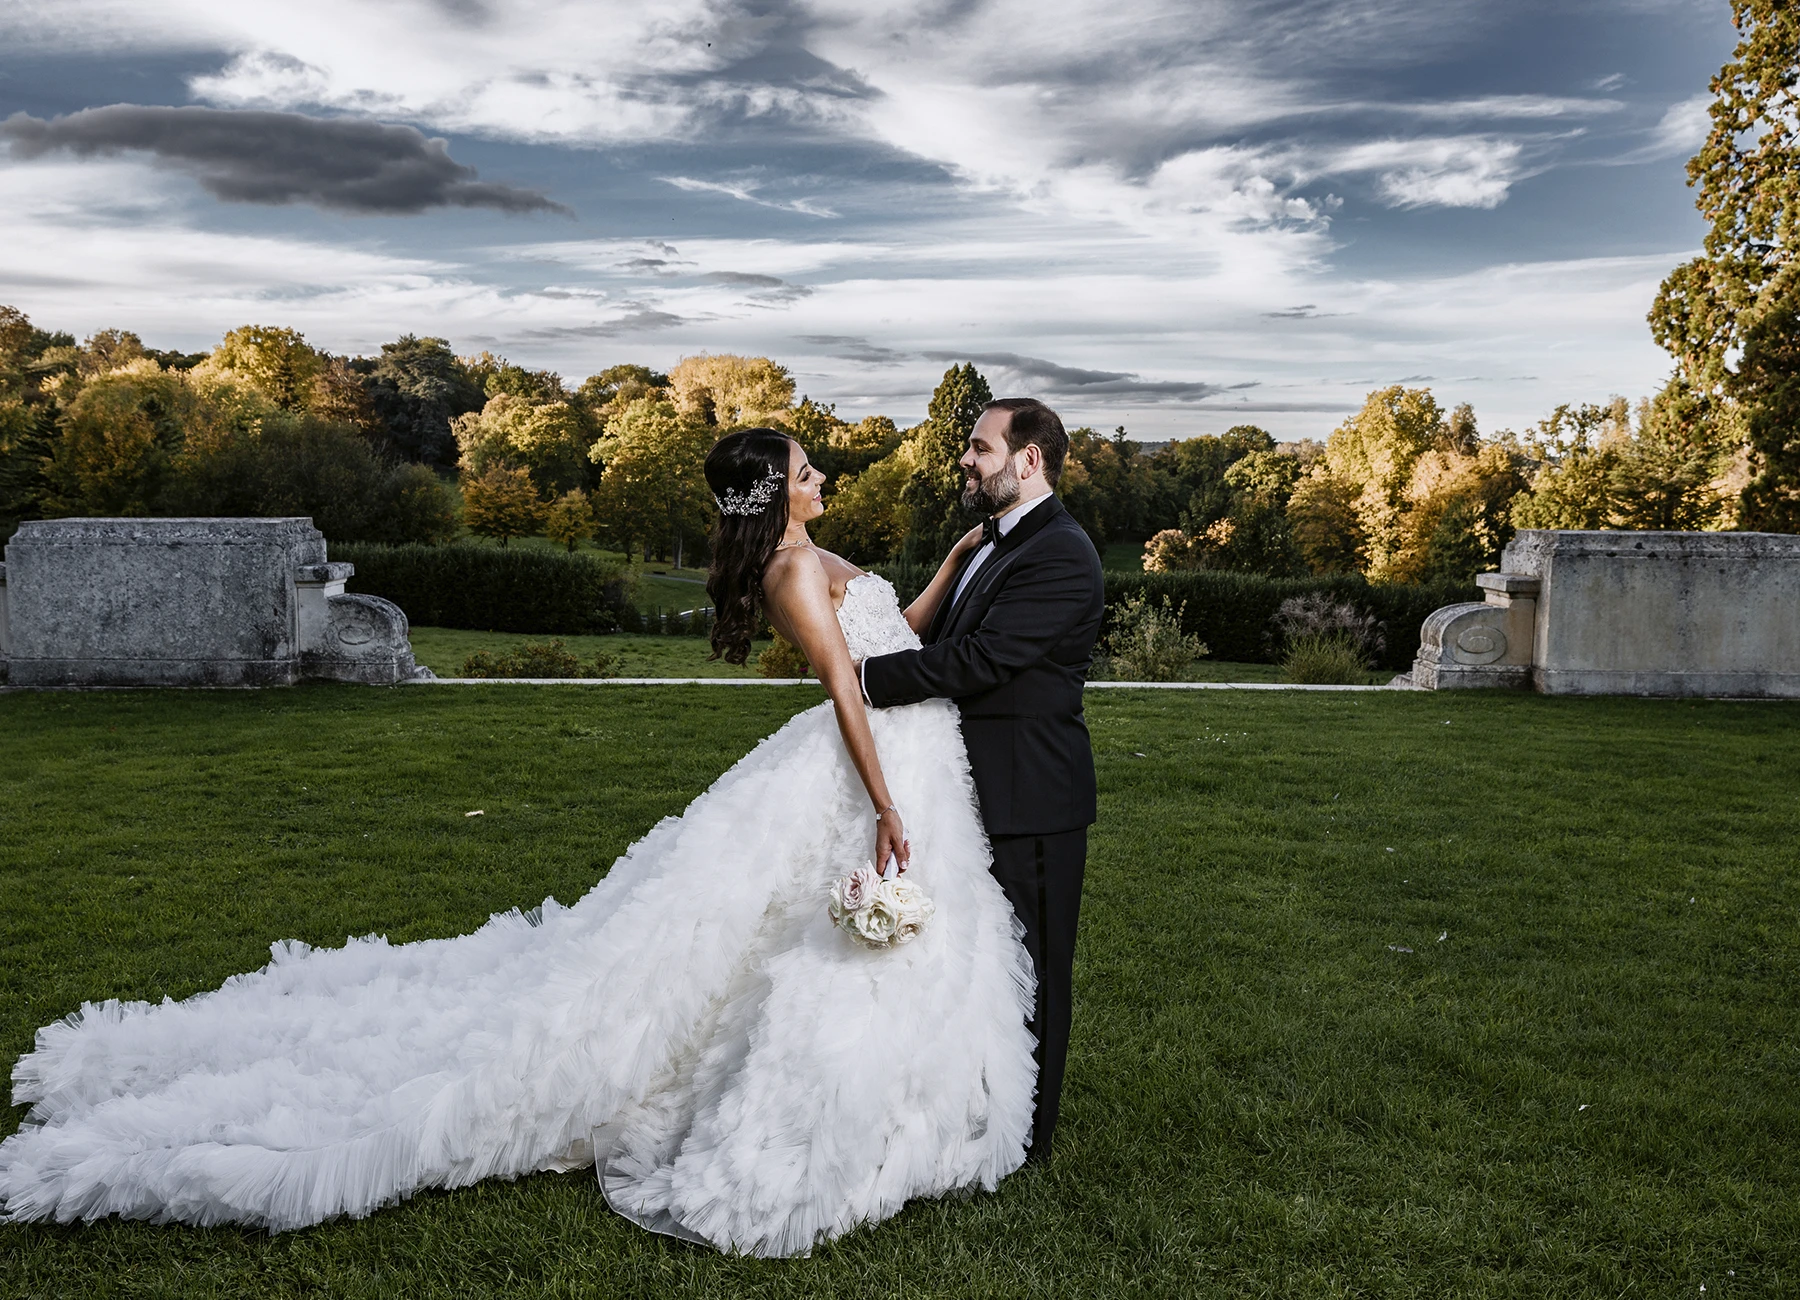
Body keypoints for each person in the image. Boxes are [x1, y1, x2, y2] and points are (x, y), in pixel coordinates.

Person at [0, 427, 1037, 1259]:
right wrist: (888, 805)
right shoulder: (792, 572)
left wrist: (946, 565)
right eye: (809, 473)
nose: (824, 478)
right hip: (870, 762)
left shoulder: (815, 559)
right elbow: (848, 688)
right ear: (775, 497)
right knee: (778, 944)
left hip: (903, 746)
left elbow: (891, 630)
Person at [861, 397, 1105, 1164]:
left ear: (1028, 460)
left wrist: (859, 678)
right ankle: (971, 1113)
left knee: (1032, 971)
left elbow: (982, 661)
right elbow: (944, 635)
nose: (964, 459)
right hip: (976, 787)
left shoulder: (1060, 552)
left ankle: (1025, 1138)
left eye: (980, 448)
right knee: (977, 963)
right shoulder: (991, 543)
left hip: (1031, 797)